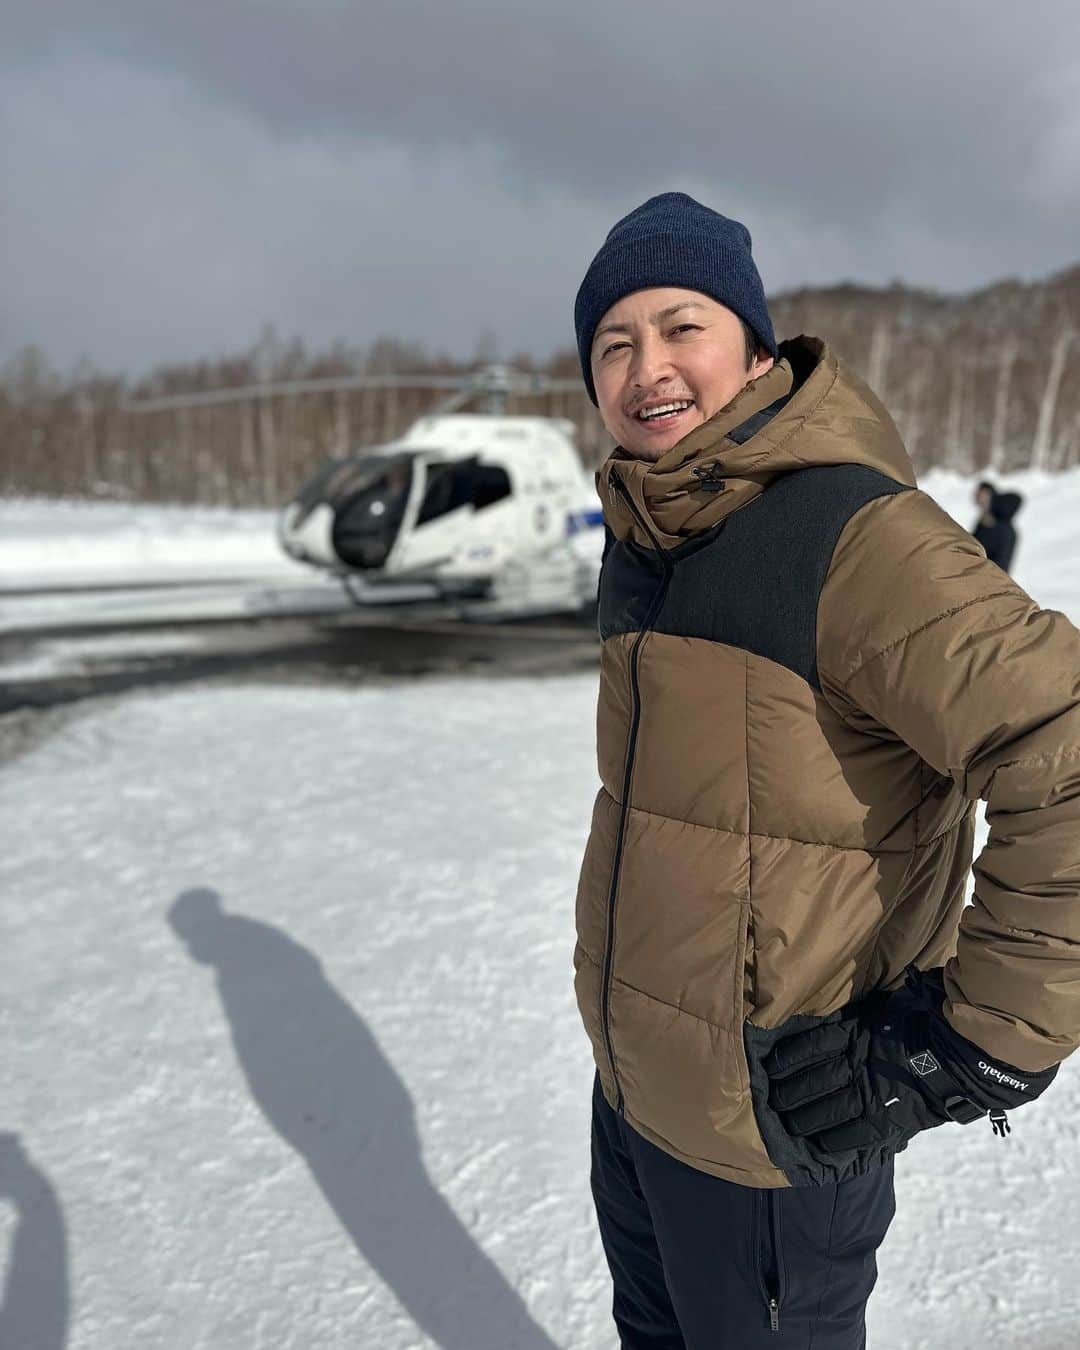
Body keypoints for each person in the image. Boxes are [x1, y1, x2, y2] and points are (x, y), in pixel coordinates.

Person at [570, 192, 1080, 1349]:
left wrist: (970, 1049)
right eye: (613, 342)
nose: (646, 366)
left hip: (773, 1133)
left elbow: (1068, 744)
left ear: (755, 349)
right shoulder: (655, 530)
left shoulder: (849, 534)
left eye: (679, 324)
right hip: (640, 1099)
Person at [972, 478, 1023, 573]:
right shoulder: (984, 520)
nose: (976, 497)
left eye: (980, 494)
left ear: (988, 494)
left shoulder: (1000, 527)